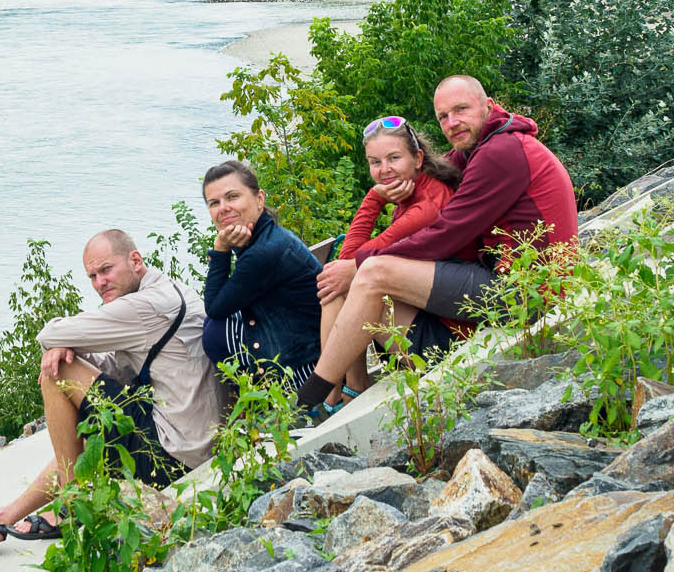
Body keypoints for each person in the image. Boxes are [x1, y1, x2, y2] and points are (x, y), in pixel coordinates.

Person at [293, 76, 578, 412]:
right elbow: (440, 171)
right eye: (443, 116)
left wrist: (357, 264)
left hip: (529, 292)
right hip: (507, 281)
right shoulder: (479, 148)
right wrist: (375, 200)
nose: (452, 122)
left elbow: (447, 232)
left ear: (487, 106)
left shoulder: (501, 152)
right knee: (355, 277)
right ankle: (338, 392)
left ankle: (313, 394)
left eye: (461, 110)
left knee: (371, 272)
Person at [0, 229, 220, 553]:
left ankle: (71, 506)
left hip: (173, 456)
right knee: (83, 435)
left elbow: (49, 333)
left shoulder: (145, 306)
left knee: (57, 375)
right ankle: (1, 518)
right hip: (190, 443)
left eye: (106, 270)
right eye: (92, 276)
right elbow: (117, 367)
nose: (99, 283)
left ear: (135, 260)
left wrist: (61, 349)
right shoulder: (166, 290)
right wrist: (71, 350)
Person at [311, 115, 462, 408]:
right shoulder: (419, 190)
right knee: (340, 282)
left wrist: (372, 201)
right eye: (375, 162)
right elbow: (348, 263)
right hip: (426, 317)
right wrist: (375, 196)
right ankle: (343, 389)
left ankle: (330, 397)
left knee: (341, 284)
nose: (384, 170)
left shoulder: (428, 205)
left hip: (447, 337)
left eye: (394, 158)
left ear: (418, 159)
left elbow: (350, 263)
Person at [199, 160, 323, 389]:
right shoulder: (265, 238)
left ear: (259, 199)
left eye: (232, 197)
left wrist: (220, 249)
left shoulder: (265, 251)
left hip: (300, 372)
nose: (223, 208)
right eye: (214, 203)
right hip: (297, 354)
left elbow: (214, 307)